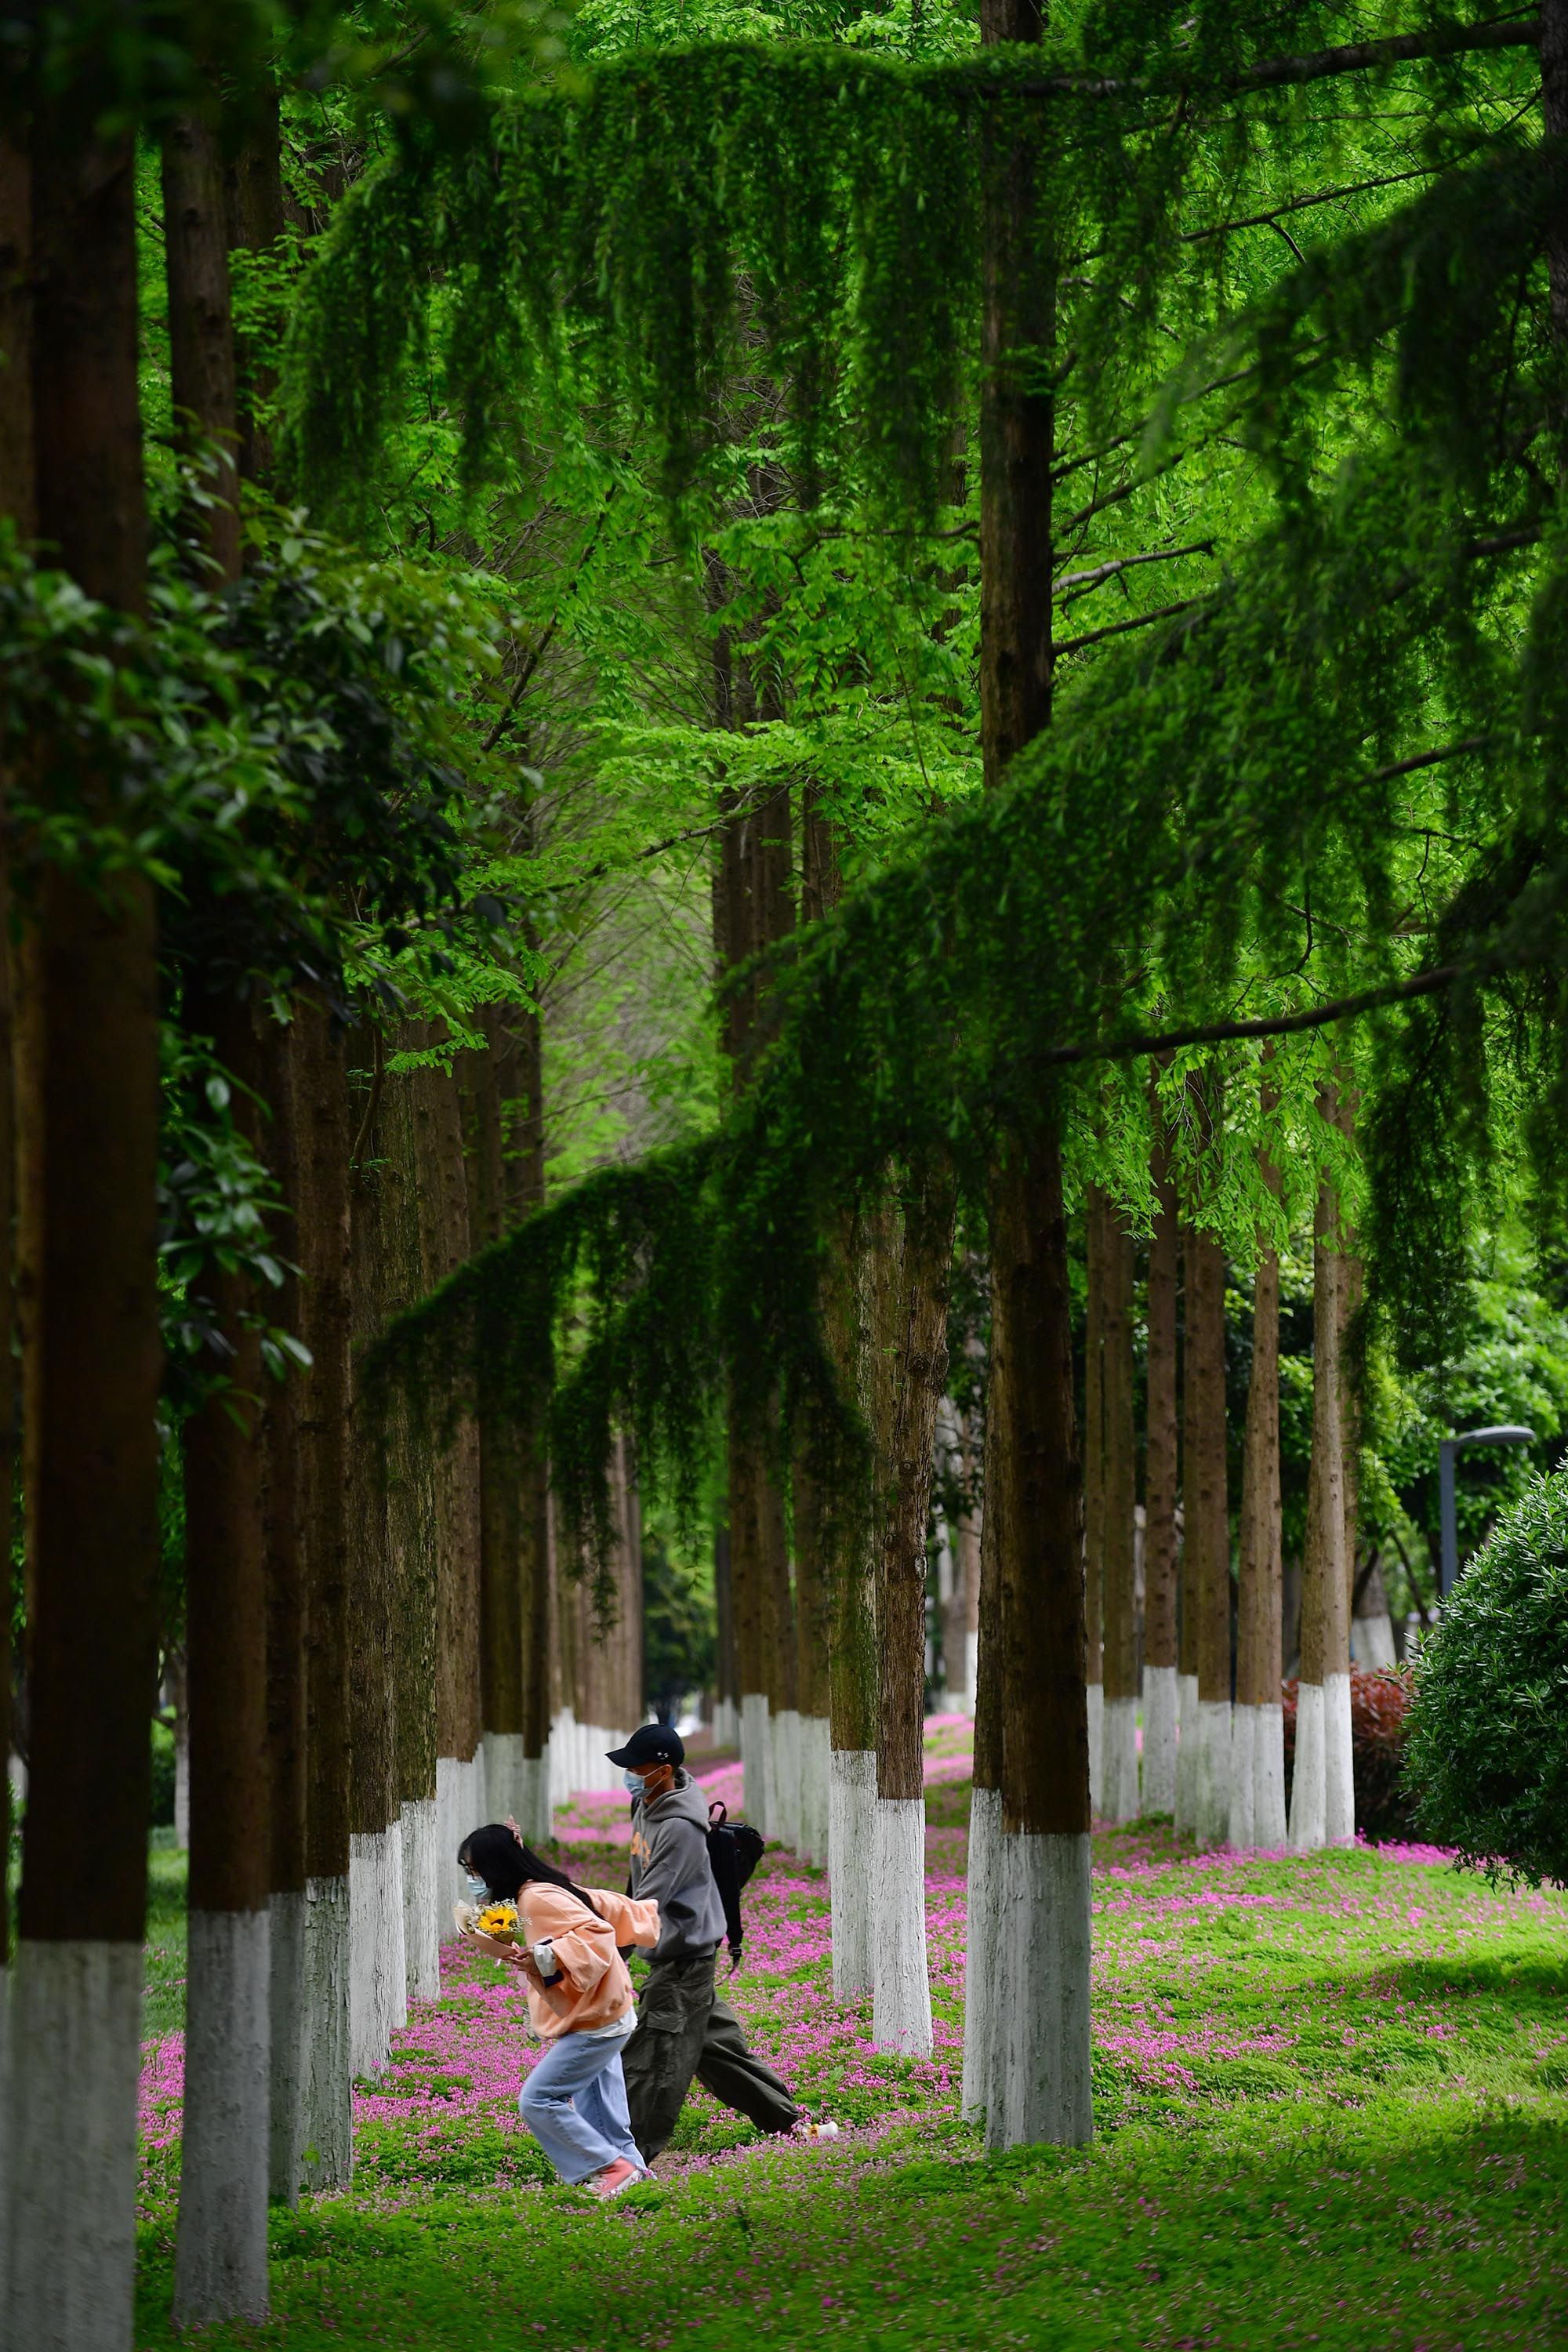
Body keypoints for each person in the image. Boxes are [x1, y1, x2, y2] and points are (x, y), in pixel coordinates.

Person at [608, 1724, 837, 2164]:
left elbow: (647, 1903)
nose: (629, 1775)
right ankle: (793, 2125)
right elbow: (637, 1881)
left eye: (636, 1767)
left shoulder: (679, 1828)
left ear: (663, 1770)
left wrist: (606, 1954)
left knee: (654, 2061)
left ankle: (627, 2161)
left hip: (683, 1958)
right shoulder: (645, 1803)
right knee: (719, 2052)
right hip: (674, 1952)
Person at [457, 1820, 659, 2199]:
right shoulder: (537, 1892)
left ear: (496, 1865)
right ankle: (638, 2185)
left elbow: (598, 1936)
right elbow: (599, 1906)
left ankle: (612, 2167)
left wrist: (543, 1956)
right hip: (604, 2013)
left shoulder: (537, 1898)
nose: (472, 1879)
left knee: (538, 2099)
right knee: (605, 2117)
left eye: (475, 1870)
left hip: (596, 2020)